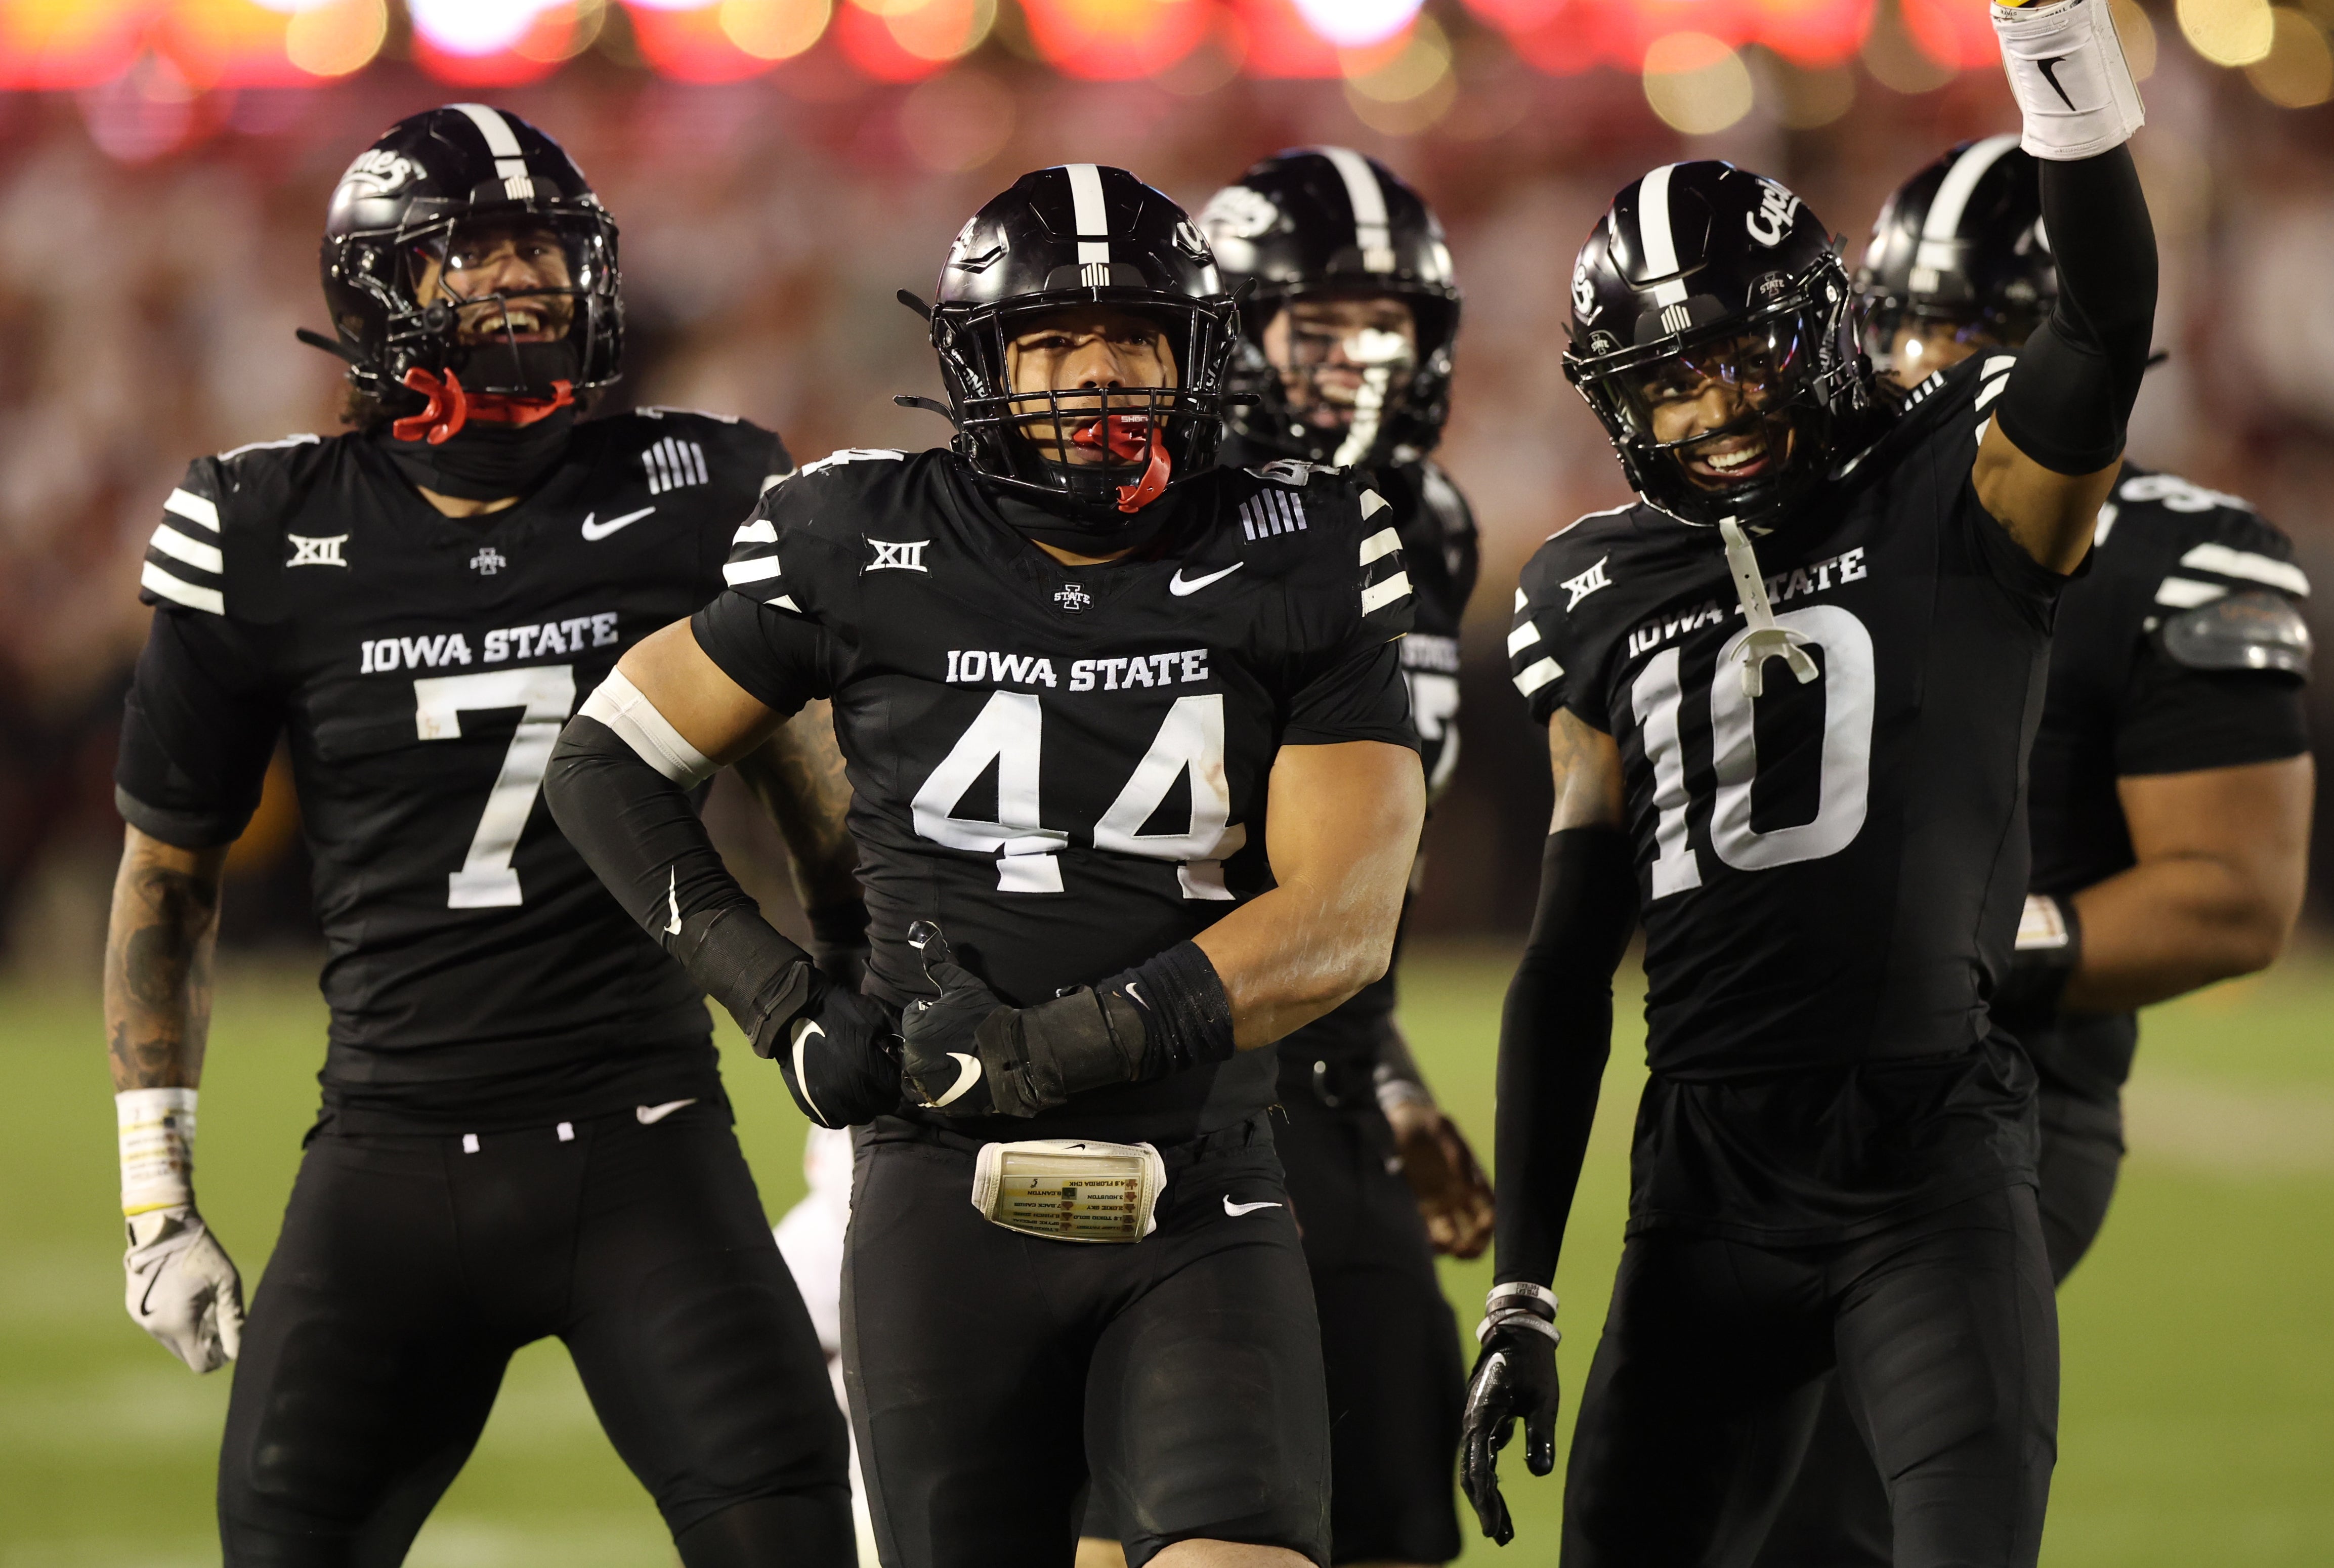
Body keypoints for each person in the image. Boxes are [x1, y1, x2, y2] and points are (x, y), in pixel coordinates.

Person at [542, 163, 1427, 1568]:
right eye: (1051, 342)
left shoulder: (1295, 540)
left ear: (1193, 353)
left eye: (1130, 337)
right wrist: (778, 1003)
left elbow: (1343, 914)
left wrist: (1062, 1044)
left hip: (1195, 1183)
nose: (1096, 377)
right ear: (978, 364)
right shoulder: (855, 531)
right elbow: (601, 762)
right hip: (938, 1198)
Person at [106, 104, 855, 1567]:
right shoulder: (257, 526)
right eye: (479, 256)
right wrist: (156, 1198)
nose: (527, 284)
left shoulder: (699, 487)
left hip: (646, 1145)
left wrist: (878, 1058)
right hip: (388, 1158)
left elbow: (820, 805)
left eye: (547, 251)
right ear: (379, 291)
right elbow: (169, 876)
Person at [1463, 3, 2159, 1560]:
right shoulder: (1588, 587)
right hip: (1700, 1185)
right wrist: (1521, 1279)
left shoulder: (1960, 477)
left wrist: (2050, 32)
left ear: (1819, 323)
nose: (1709, 411)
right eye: (1665, 381)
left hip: (1928, 1159)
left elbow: (2106, 312)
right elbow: (1569, 949)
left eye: (1738, 356)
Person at [1752, 134, 2314, 1568]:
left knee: (1829, 1507)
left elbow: (2230, 898)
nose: (1925, 370)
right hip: (1770, 1109)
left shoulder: (2181, 550)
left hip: (2002, 1104)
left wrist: (1960, 956)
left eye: (1973, 335)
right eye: (1901, 328)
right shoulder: (1818, 525)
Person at [1096, 144, 1493, 1568]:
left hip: (1322, 1076)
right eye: (1317, 327)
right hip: (1161, 1074)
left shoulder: (1427, 525)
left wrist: (1386, 1072)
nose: (1360, 362)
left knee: (1397, 1501)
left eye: (1389, 326)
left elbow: (1359, 861)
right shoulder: (1153, 514)